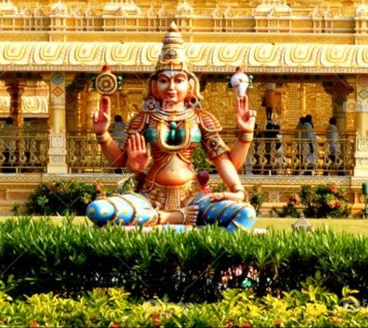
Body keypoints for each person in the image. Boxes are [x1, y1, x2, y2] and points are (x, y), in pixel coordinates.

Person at [91, 24, 257, 230]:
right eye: (163, 80)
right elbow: (120, 161)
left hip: (194, 199)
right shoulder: (143, 119)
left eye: (178, 80)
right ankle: (170, 219)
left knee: (246, 213)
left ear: (190, 85)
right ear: (154, 85)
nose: (171, 88)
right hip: (150, 198)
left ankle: (211, 252)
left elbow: (227, 161)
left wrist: (246, 134)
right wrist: (103, 134)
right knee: (99, 210)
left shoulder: (200, 118)